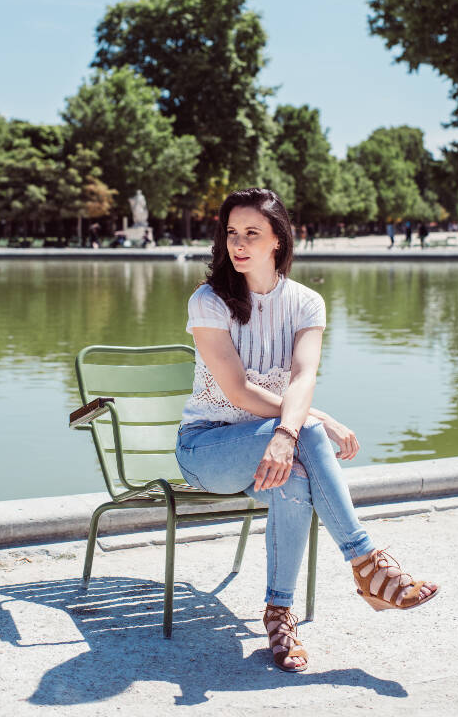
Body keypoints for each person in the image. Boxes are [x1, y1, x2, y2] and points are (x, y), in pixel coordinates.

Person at [176, 188, 438, 674]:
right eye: (231, 232)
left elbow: (303, 378)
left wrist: (291, 428)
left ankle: (279, 616)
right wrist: (314, 422)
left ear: (278, 240)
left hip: (271, 451)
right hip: (208, 448)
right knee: (307, 435)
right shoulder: (209, 301)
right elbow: (237, 392)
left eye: (252, 233)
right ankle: (367, 564)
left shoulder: (305, 303)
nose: (238, 243)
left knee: (295, 477)